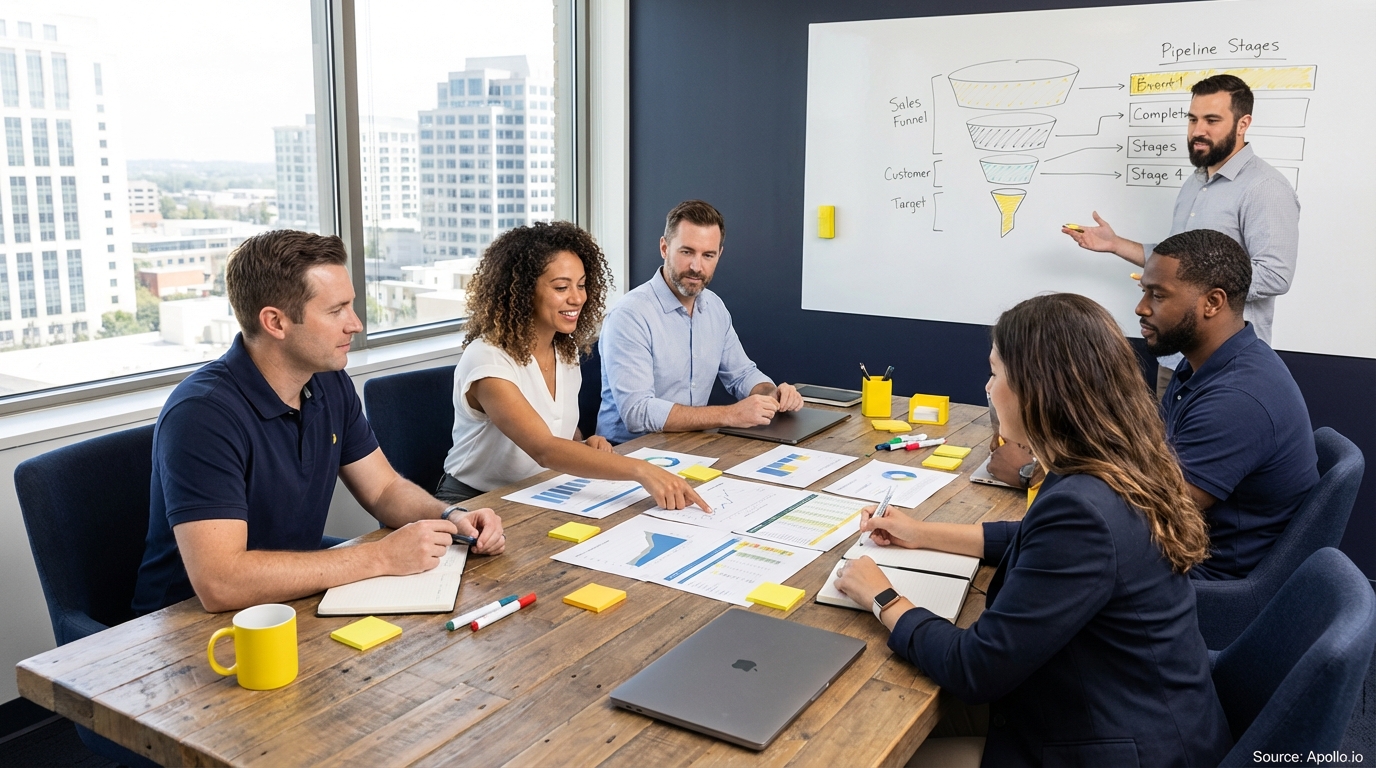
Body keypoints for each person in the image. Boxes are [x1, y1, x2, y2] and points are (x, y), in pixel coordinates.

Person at [835, 293, 1231, 768]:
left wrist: (881, 597)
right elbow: (1029, 539)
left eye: (996, 373)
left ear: (1037, 388)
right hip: (1123, 710)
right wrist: (921, 533)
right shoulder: (1111, 464)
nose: (987, 385)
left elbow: (974, 667)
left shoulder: (1084, 509)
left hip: (1114, 748)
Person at [132, 231, 505, 615]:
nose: (355, 324)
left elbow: (383, 489)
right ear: (275, 322)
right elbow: (221, 583)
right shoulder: (201, 415)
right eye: (336, 310)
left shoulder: (326, 379)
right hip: (184, 627)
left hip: (291, 598)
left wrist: (451, 518)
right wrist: (379, 558)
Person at [439, 221, 710, 512]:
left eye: (581, 285)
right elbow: (544, 448)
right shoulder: (488, 360)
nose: (577, 298)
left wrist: (584, 443)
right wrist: (641, 470)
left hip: (538, 492)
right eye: (561, 287)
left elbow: (557, 428)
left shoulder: (564, 352)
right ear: (523, 291)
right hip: (473, 502)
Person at [1063, 73, 1300, 398]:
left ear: (1243, 123)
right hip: (1176, 356)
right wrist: (1114, 244)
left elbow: (1275, 276)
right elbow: (1175, 262)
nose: (1198, 130)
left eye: (1212, 120)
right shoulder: (1195, 183)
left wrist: (1188, 287)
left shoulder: (1265, 189)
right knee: (1166, 448)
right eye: (1193, 119)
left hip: (1228, 365)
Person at [1137, 228, 1318, 580]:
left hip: (1204, 582)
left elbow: (1153, 515)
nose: (1141, 307)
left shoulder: (1237, 398)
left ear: (1213, 303)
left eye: (1157, 295)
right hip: (1178, 551)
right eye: (1143, 291)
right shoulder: (1201, 364)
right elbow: (1149, 463)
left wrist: (1041, 476)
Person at [597, 199, 804, 444]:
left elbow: (742, 374)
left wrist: (772, 394)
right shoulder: (630, 315)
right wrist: (730, 414)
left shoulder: (714, 307)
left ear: (719, 255)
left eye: (708, 255)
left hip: (692, 447)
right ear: (664, 248)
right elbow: (638, 412)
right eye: (687, 252)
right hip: (628, 453)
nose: (697, 266)